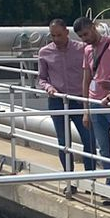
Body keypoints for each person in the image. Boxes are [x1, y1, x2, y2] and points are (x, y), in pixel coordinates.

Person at [35, 18, 89, 173]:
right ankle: (69, 177)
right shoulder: (44, 52)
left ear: (67, 32)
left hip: (79, 100)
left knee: (89, 139)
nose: (56, 39)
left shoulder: (82, 49)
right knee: (64, 142)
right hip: (57, 101)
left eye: (59, 35)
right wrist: (49, 87)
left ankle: (91, 177)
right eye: (53, 36)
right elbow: (42, 78)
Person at [76, 16, 110, 167]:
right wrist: (86, 110)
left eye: (86, 34)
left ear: (93, 27)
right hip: (95, 102)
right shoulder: (87, 50)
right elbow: (86, 80)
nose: (84, 39)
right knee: (104, 148)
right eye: (80, 36)